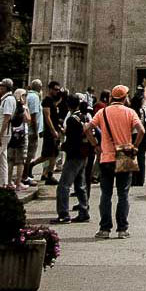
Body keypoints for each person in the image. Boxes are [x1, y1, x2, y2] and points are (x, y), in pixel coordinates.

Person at [90, 85, 145, 239]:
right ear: (125, 97)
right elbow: (142, 130)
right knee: (123, 194)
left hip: (106, 157)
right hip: (125, 155)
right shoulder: (130, 112)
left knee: (106, 194)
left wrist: (95, 145)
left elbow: (88, 128)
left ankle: (104, 229)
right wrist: (135, 146)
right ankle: (122, 229)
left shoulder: (103, 112)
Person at [55, 93, 93, 224]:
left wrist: (62, 146)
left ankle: (63, 214)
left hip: (74, 155)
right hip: (84, 153)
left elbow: (72, 140)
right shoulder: (83, 116)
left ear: (68, 105)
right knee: (80, 185)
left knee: (63, 186)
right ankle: (84, 211)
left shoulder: (72, 119)